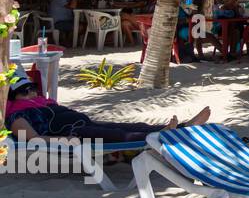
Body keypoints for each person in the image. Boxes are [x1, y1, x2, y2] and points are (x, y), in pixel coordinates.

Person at [4, 75, 210, 143]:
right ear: (14, 96)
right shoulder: (17, 115)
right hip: (73, 134)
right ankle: (161, 136)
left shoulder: (41, 102)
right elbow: (33, 138)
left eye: (33, 88)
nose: (32, 93)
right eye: (25, 91)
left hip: (84, 124)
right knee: (122, 135)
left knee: (130, 126)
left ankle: (183, 127)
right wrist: (66, 141)